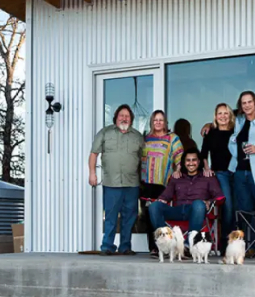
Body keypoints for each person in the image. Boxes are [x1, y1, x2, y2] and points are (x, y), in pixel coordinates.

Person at [89, 104, 144, 255]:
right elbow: (94, 153)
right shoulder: (105, 133)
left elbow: (143, 159)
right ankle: (107, 246)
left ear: (131, 119)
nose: (124, 118)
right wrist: (92, 173)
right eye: (121, 115)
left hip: (132, 184)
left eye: (127, 116)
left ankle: (125, 247)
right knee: (111, 217)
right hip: (111, 183)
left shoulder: (138, 137)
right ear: (116, 117)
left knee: (129, 218)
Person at [147, 149, 223, 257]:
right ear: (183, 162)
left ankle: (188, 246)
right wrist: (160, 201)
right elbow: (165, 196)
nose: (191, 163)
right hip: (177, 210)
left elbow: (220, 197)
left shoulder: (208, 177)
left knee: (198, 204)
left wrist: (209, 201)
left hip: (196, 211)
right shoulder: (177, 177)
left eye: (194, 160)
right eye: (188, 160)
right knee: (154, 206)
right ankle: (168, 245)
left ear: (199, 162)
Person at [141, 110, 183, 253]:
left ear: (165, 122)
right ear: (152, 122)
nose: (158, 122)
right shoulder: (146, 139)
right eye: (155, 120)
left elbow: (180, 158)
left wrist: (178, 170)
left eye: (161, 120)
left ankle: (165, 246)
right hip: (146, 183)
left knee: (159, 215)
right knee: (147, 216)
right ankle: (153, 247)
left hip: (164, 184)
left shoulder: (172, 138)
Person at [199, 103, 236, 250]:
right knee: (228, 206)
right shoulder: (211, 132)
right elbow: (203, 153)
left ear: (230, 116)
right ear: (215, 116)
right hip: (220, 173)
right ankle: (225, 243)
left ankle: (238, 242)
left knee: (238, 207)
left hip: (236, 172)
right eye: (220, 113)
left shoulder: (236, 132)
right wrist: (207, 168)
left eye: (226, 113)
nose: (223, 116)